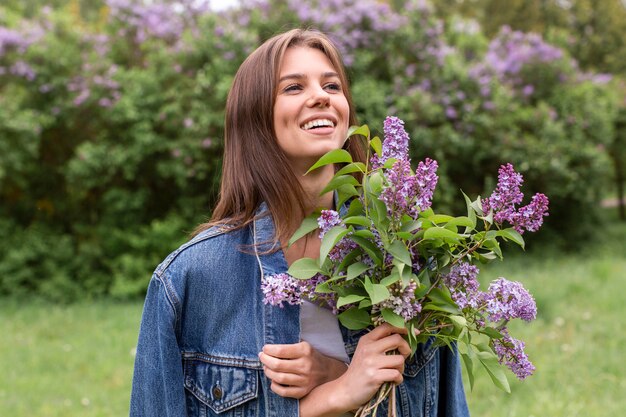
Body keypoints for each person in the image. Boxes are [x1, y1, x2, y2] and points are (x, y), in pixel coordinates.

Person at [129, 28, 470, 417]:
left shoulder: (410, 260)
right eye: (293, 87)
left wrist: (333, 370)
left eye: (332, 85)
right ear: (255, 118)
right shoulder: (188, 280)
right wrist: (335, 393)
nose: (321, 96)